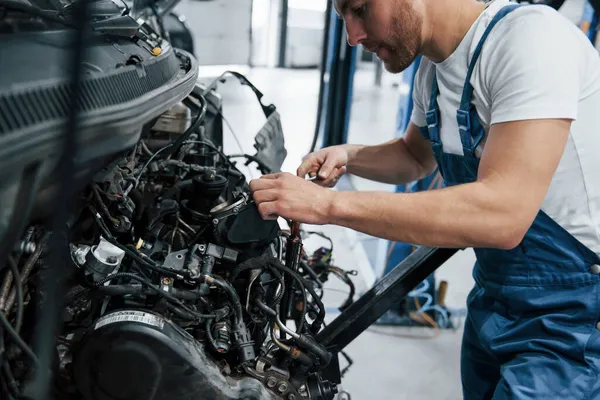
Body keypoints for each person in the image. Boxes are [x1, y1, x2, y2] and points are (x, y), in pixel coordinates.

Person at [249, 0, 600, 398]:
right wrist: (350, 156)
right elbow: (415, 156)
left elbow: (504, 214)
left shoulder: (530, 40)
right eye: (342, 17)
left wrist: (327, 206)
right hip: (497, 297)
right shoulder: (433, 69)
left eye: (360, 9)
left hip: (573, 316)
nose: (352, 36)